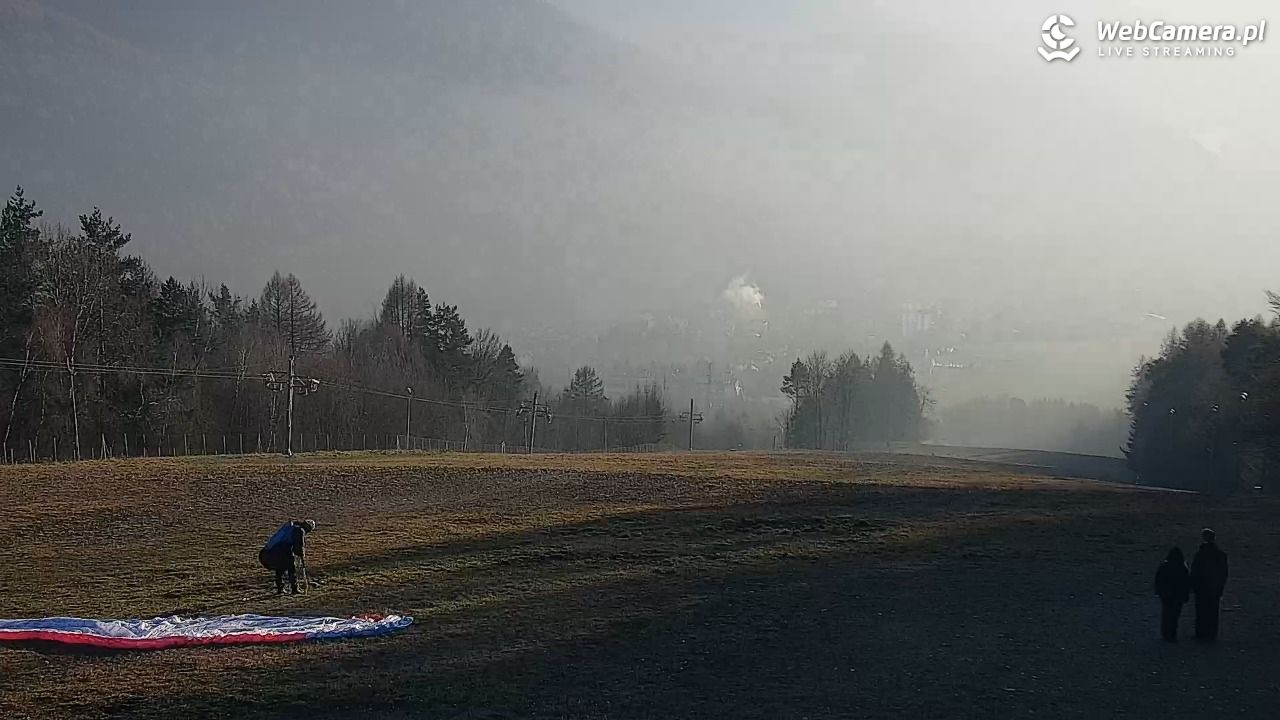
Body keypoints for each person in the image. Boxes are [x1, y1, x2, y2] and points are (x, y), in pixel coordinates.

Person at [1189, 528, 1229, 641]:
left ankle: (1200, 633)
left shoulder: (1200, 554)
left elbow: (1195, 571)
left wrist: (1193, 585)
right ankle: (1211, 634)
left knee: (1201, 611)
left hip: (1201, 588)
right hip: (1214, 588)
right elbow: (1224, 573)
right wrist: (1220, 587)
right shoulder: (1221, 555)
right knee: (1213, 612)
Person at [258, 519, 316, 595]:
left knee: (280, 569)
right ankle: (294, 589)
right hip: (280, 550)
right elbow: (298, 547)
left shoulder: (291, 528)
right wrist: (301, 555)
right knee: (291, 568)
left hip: (270, 552)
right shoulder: (299, 531)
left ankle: (280, 589)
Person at [1154, 546, 1191, 642]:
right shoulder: (1182, 568)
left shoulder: (1164, 566)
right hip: (1178, 596)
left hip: (1166, 595)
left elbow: (1158, 581)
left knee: (1166, 615)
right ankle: (1172, 634)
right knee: (1175, 616)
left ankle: (1166, 633)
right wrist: (1186, 595)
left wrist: (1159, 592)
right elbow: (1186, 583)